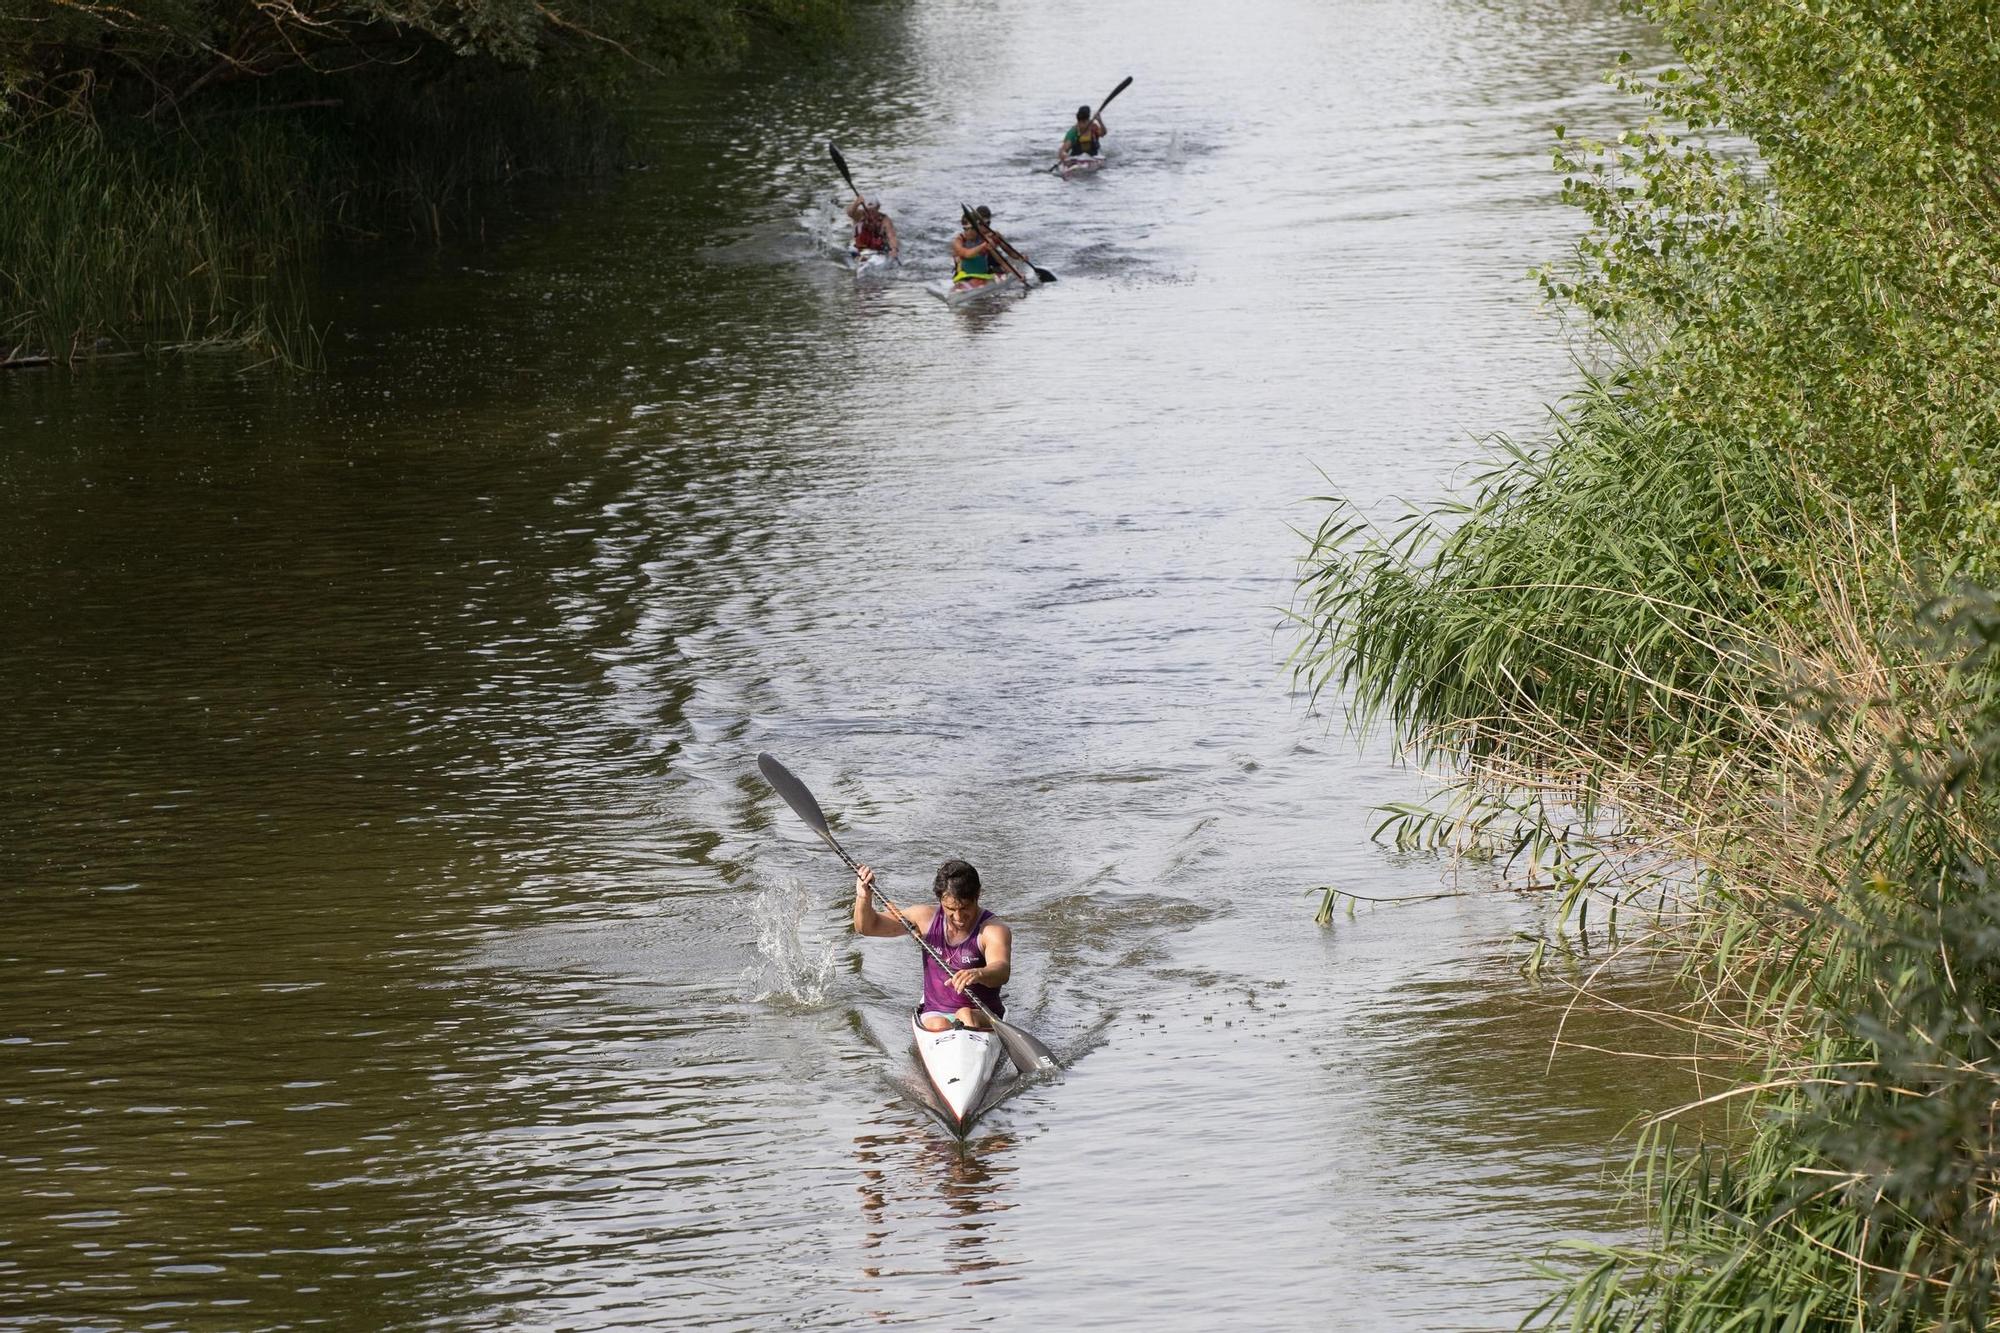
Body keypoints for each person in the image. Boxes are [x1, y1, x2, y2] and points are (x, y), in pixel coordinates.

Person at [852, 859, 1012, 1032]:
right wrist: (863, 897)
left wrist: (979, 973)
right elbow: (867, 927)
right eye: (950, 909)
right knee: (938, 1024)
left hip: (982, 1015)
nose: (958, 917)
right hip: (936, 1015)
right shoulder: (924, 918)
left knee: (966, 1015)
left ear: (978, 895)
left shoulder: (993, 929)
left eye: (965, 908)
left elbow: (1001, 970)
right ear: (940, 900)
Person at [950, 206, 1003, 289]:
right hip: (964, 273)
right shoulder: (958, 241)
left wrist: (1019, 259)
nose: (985, 226)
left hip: (984, 270)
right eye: (966, 229)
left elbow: (1003, 256)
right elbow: (966, 254)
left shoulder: (991, 236)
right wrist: (983, 245)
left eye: (987, 223)